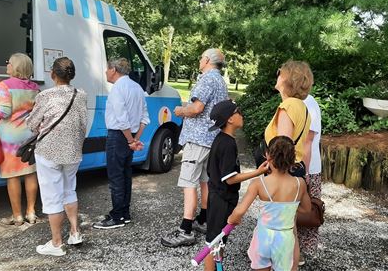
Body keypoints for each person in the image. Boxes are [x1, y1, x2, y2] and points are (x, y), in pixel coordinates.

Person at [161, 48, 228, 247]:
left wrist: (181, 111)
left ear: (207, 60)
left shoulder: (207, 79)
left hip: (198, 139)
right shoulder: (220, 81)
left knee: (188, 182)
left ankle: (186, 229)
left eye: (201, 58)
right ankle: (204, 219)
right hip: (211, 139)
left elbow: (197, 108)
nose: (200, 60)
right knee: (205, 181)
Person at [26, 57, 88, 256]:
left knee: (52, 196)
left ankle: (56, 243)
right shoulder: (81, 94)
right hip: (73, 152)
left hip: (49, 152)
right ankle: (75, 232)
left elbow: (32, 124)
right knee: (69, 189)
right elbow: (82, 124)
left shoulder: (45, 96)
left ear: (53, 74)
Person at [228, 136, 312, 271]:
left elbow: (239, 211)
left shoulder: (258, 183)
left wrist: (232, 220)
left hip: (263, 237)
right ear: (293, 158)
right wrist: (288, 209)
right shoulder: (299, 183)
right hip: (285, 239)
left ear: (267, 155)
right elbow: (307, 209)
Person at [203, 100, 269, 271]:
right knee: (214, 242)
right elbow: (230, 179)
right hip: (222, 199)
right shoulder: (227, 144)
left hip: (219, 196)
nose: (242, 115)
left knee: (219, 240)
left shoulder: (223, 139)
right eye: (238, 111)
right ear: (230, 119)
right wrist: (258, 172)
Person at [263, 60, 313, 269]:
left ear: (287, 79)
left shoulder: (287, 106)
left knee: (277, 229)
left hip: (282, 171)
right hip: (296, 168)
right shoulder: (302, 107)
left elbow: (282, 145)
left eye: (280, 73)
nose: (277, 76)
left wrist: (273, 175)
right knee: (289, 228)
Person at [93, 57, 149, 229]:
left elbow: (121, 118)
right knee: (125, 174)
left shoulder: (118, 88)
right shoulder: (137, 87)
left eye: (107, 69)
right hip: (129, 136)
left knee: (116, 176)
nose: (105, 72)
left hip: (119, 136)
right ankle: (124, 212)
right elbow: (145, 118)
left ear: (113, 70)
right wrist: (135, 139)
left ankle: (117, 217)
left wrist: (131, 140)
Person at [0, 53, 39, 226]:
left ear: (15, 66)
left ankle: (17, 216)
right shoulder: (34, 87)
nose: (6, 65)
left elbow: (4, 113)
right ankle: (31, 213)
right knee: (30, 173)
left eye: (8, 62)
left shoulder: (5, 85)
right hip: (29, 135)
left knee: (13, 176)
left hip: (10, 139)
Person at [298, 93, 322, 266]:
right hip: (299, 166)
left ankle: (299, 255)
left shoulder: (307, 102)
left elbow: (308, 140)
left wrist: (304, 174)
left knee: (306, 212)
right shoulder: (295, 101)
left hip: (306, 168)